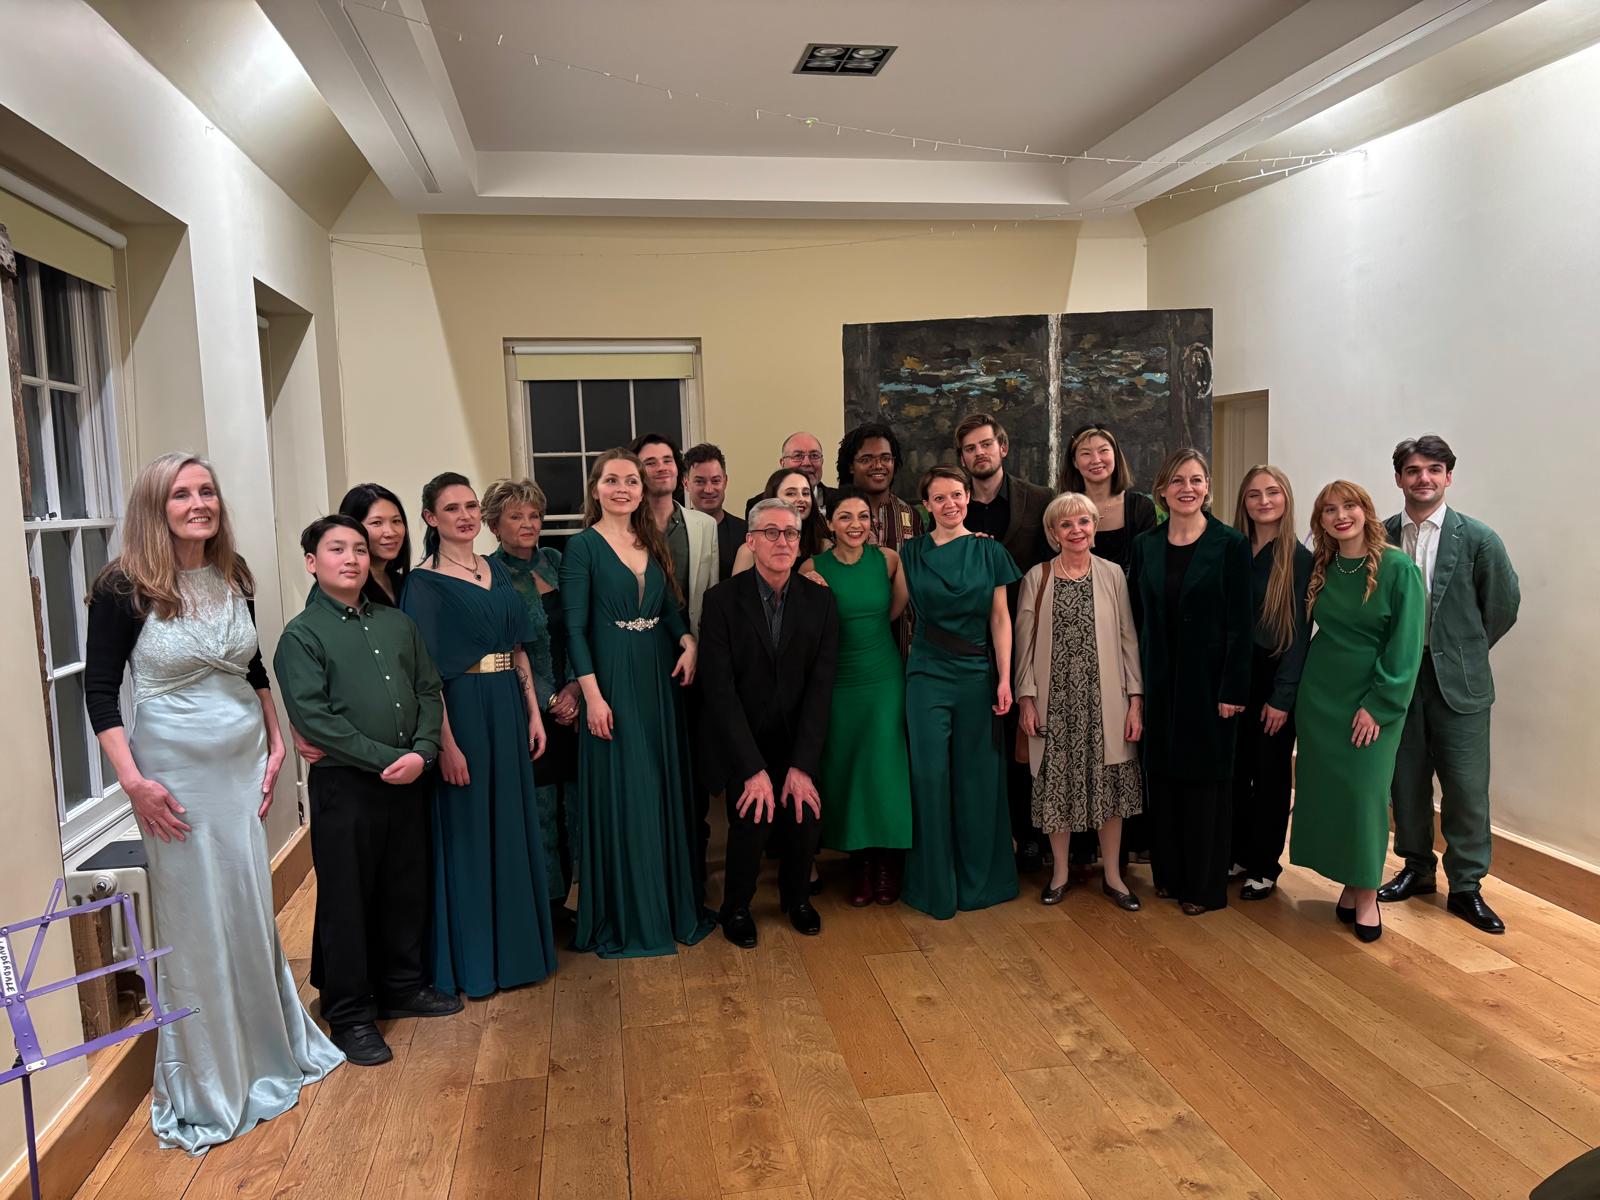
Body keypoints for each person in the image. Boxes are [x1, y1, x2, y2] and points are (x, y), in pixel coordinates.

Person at [85, 453, 341, 1152]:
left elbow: (251, 666)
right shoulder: (123, 586)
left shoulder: (235, 573)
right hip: (173, 774)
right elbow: (100, 691)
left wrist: (277, 737)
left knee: (246, 900)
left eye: (207, 491)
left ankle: (268, 1050)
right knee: (196, 915)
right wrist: (133, 781)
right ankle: (212, 1078)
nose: (199, 503)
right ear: (155, 506)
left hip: (242, 764)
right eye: (181, 494)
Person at [273, 516, 458, 1068]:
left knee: (405, 884)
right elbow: (315, 720)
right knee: (347, 898)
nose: (351, 558)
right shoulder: (301, 636)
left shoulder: (397, 624)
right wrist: (388, 760)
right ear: (312, 563)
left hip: (409, 776)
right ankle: (350, 1012)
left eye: (358, 548)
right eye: (337, 550)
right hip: (347, 784)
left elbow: (428, 687)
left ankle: (402, 985)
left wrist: (423, 751)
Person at [401, 473, 557, 997]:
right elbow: (425, 676)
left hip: (507, 707)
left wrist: (532, 713)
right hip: (462, 710)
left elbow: (518, 648)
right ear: (430, 518)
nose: (465, 516)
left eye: (470, 506)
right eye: (452, 509)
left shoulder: (496, 571)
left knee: (512, 824)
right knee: (469, 830)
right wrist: (445, 743)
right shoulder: (423, 584)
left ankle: (519, 956)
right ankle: (476, 963)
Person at [561, 450, 716, 957]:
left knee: (661, 785)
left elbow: (669, 608)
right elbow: (574, 630)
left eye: (631, 480)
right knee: (630, 791)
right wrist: (593, 698)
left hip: (658, 677)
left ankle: (670, 907)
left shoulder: (650, 538)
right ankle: (631, 914)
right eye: (612, 480)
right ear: (596, 489)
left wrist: (687, 641)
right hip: (611, 678)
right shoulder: (582, 547)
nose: (623, 488)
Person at [1378, 435, 1520, 933]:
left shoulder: (1478, 539)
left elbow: (1501, 607)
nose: (1424, 478)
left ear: (1448, 477)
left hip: (1460, 684)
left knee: (1465, 788)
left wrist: (1459, 651)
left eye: (1433, 470)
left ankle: (1466, 886)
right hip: (1399, 680)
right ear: (1399, 478)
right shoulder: (1380, 536)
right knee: (1406, 780)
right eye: (1413, 470)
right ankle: (1416, 869)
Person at [699, 500, 840, 947]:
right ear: (752, 541)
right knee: (752, 815)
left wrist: (803, 765)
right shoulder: (721, 600)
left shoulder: (820, 601)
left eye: (791, 534)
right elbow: (718, 690)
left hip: (798, 736)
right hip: (744, 737)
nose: (782, 542)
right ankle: (736, 907)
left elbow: (821, 687)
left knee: (804, 812)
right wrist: (750, 768)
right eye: (771, 533)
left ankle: (796, 899)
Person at [1291, 481, 1426, 943]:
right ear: (1321, 521)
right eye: (1329, 510)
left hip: (1372, 700)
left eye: (1349, 506)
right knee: (1332, 796)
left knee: (1365, 797)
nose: (1340, 516)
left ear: (1366, 511)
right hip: (1321, 698)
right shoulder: (1323, 566)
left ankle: (1367, 894)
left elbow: (1406, 647)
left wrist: (1379, 705)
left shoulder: (1397, 567)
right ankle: (1351, 884)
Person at [1129, 449, 1252, 916]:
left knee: (1205, 785)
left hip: (1210, 685)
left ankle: (1202, 887)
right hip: (1159, 681)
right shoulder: (1145, 545)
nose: (1187, 488)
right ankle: (1169, 875)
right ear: (1162, 490)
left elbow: (1241, 624)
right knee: (1163, 779)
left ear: (1208, 488)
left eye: (1196, 480)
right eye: (1177, 480)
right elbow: (1136, 619)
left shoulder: (1230, 544)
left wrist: (1233, 689)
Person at [899, 466, 1021, 919]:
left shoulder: (991, 551)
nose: (950, 504)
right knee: (929, 777)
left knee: (978, 779)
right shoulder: (910, 553)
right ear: (926, 506)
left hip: (976, 674)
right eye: (940, 498)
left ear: (968, 498)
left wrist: (1004, 678)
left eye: (957, 495)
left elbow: (1000, 619)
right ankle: (935, 886)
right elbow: (891, 608)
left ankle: (980, 884)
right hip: (926, 672)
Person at [1015, 493, 1144, 910]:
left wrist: (1136, 699)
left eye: (1083, 522)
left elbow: (1127, 638)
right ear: (1053, 532)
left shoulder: (1112, 574)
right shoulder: (1037, 577)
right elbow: (1023, 645)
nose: (1076, 530)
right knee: (1057, 786)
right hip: (1054, 704)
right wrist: (1026, 699)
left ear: (1094, 527)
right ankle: (1060, 873)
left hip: (1106, 702)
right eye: (1066, 524)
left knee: (1109, 787)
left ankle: (1113, 876)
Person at [956, 412, 1054, 875]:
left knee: (1024, 738)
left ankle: (1030, 836)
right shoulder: (952, 504)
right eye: (970, 448)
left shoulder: (1039, 500)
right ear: (962, 458)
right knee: (980, 742)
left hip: (1027, 635)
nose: (979, 453)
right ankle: (984, 838)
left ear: (1003, 447)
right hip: (966, 639)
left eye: (986, 444)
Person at [806, 488, 913, 906]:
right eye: (846, 517)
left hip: (883, 677)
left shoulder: (888, 560)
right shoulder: (812, 567)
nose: (856, 525)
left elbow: (896, 609)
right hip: (839, 681)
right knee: (846, 770)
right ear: (830, 524)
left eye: (863, 517)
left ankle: (886, 863)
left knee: (883, 768)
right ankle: (860, 863)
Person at [482, 478, 581, 921]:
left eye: (534, 515)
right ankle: (544, 908)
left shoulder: (559, 561)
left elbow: (581, 626)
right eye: (515, 516)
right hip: (527, 708)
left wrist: (576, 689)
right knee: (538, 806)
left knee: (574, 803)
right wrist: (550, 699)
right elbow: (504, 648)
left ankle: (575, 900)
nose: (528, 523)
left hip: (577, 702)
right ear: (493, 525)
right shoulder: (489, 574)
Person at [1229, 466, 1313, 900]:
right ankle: (1238, 853)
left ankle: (1264, 864)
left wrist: (1283, 697)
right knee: (1235, 770)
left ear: (1286, 499)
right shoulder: (1232, 549)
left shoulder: (1299, 559)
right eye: (1254, 494)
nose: (1264, 501)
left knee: (1270, 775)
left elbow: (1299, 635)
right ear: (1243, 502)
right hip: (1233, 675)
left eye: (1273, 492)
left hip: (1273, 676)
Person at [630, 432, 718, 636]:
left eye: (667, 460)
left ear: (678, 468)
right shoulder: (624, 527)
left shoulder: (705, 526)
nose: (661, 467)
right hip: (638, 641)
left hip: (691, 642)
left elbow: (711, 593)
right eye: (650, 463)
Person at [1063, 425, 1160, 571]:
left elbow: (1149, 565)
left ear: (1115, 455)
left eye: (1103, 451)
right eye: (1086, 453)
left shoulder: (1140, 508)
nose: (1096, 460)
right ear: (1075, 462)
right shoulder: (1062, 510)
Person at [837, 422, 924, 551]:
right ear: (851, 466)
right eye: (866, 459)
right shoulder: (835, 513)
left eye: (886, 458)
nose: (878, 465)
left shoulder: (911, 516)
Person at [730, 469, 830, 574]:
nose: (801, 499)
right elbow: (738, 584)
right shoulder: (750, 550)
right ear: (773, 498)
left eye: (805, 493)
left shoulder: (823, 546)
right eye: (791, 493)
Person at [337, 482, 412, 607]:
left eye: (396, 521)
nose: (390, 532)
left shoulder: (402, 582)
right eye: (377, 523)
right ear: (352, 527)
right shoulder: (341, 587)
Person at [684, 442, 747, 580]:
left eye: (715, 481)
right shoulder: (677, 533)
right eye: (700, 481)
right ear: (686, 484)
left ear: (725, 481)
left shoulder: (746, 533)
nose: (709, 489)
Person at [744, 430, 833, 519]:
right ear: (783, 463)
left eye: (814, 456)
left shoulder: (837, 501)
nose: (807, 463)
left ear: (822, 461)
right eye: (798, 456)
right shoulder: (758, 505)